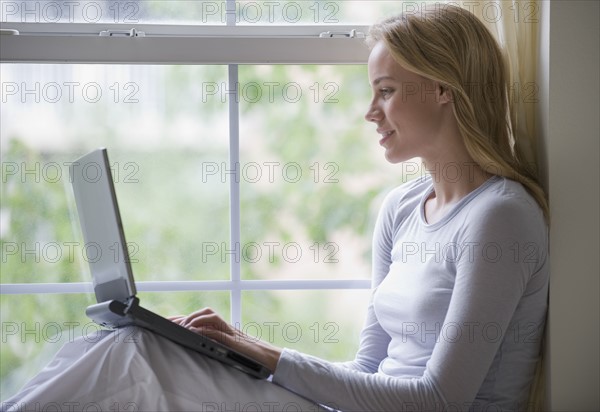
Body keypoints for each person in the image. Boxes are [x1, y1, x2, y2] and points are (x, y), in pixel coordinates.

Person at [2, 4, 549, 412]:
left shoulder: (500, 215)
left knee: (131, 359)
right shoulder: (402, 208)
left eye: (385, 91)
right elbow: (365, 370)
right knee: (129, 342)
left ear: (443, 90)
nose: (369, 112)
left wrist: (265, 354)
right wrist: (239, 350)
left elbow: (438, 400)